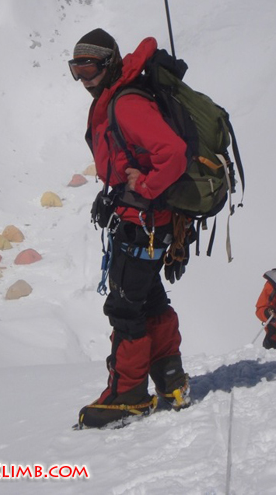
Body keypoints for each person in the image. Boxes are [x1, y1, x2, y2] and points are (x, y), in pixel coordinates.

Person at [69, 28, 192, 429]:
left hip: (143, 223)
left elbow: (173, 153)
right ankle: (171, 382)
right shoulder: (119, 97)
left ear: (109, 63)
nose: (83, 78)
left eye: (89, 67)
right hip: (148, 221)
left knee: (125, 309)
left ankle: (129, 395)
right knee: (149, 301)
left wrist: (147, 187)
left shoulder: (126, 104)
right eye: (75, 69)